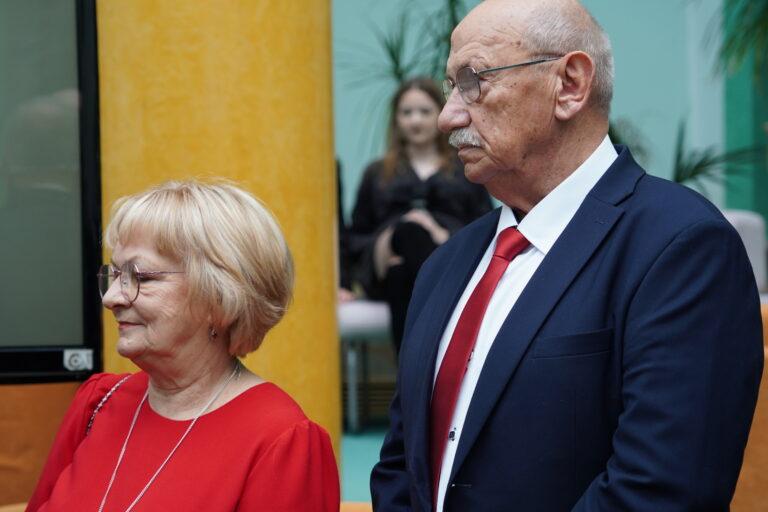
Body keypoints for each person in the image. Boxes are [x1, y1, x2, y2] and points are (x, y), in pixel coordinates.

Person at [370, 1, 764, 511]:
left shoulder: (680, 247)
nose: (448, 117)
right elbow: (402, 465)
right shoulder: (447, 264)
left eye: (473, 81)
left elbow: (660, 491)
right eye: (450, 86)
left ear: (570, 85)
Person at [28, 180, 340, 511]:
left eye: (141, 277)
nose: (112, 298)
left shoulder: (281, 441)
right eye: (115, 275)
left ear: (220, 296)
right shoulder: (99, 402)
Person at [349, 77, 492, 352]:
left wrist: (441, 234)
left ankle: (409, 367)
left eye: (425, 112)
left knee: (401, 272)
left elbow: (485, 224)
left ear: (441, 112)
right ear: (396, 119)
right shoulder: (377, 172)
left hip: (446, 254)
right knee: (407, 232)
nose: (415, 121)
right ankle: (437, 354)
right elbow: (356, 234)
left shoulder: (466, 166)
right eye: (407, 112)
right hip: (385, 256)